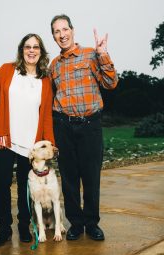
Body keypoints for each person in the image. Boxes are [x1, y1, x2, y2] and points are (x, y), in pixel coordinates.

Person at [0, 33, 55, 248]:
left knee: (26, 187)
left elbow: (47, 114)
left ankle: (25, 226)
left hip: (30, 144)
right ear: (22, 50)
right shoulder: (6, 70)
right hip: (4, 139)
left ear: (41, 52)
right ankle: (4, 229)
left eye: (36, 47)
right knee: (2, 185)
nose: (31, 50)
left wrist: (49, 143)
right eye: (27, 47)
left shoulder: (45, 80)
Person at [49, 14, 118, 241]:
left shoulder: (90, 55)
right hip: (63, 126)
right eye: (57, 32)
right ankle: (76, 224)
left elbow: (111, 83)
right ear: (54, 36)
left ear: (72, 30)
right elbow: (50, 96)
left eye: (65, 29)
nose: (62, 35)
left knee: (90, 177)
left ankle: (92, 223)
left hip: (90, 125)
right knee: (69, 178)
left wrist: (103, 54)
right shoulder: (54, 66)